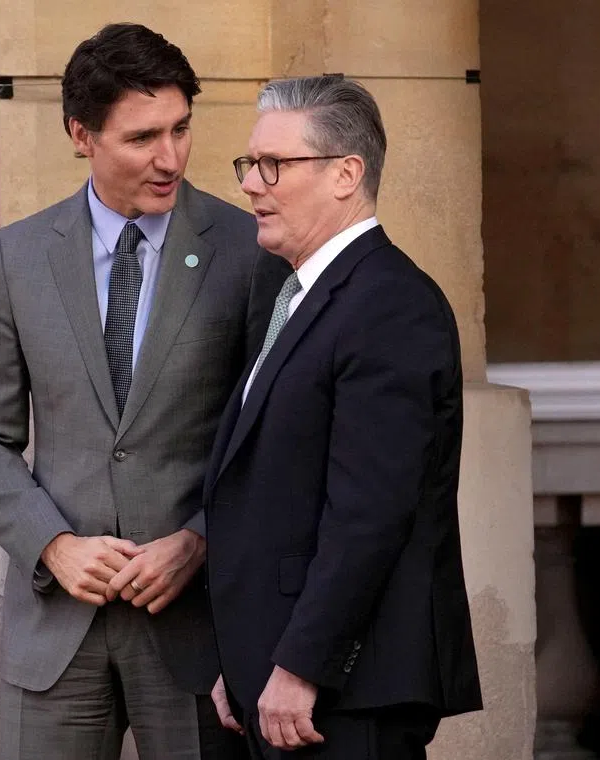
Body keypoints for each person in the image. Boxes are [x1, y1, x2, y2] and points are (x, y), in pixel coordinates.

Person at [0, 23, 285, 760]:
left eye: (181, 129)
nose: (170, 158)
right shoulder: (17, 256)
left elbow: (271, 439)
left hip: (198, 629)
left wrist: (199, 537)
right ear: (82, 135)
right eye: (142, 139)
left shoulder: (249, 249)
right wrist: (54, 545)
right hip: (55, 633)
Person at [203, 75, 483, 759]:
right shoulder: (303, 294)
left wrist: (303, 666)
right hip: (274, 683)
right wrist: (241, 660)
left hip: (341, 695)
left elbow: (370, 512)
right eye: (249, 165)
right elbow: (274, 498)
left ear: (345, 174)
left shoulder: (388, 303)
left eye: (274, 165)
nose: (250, 185)